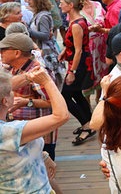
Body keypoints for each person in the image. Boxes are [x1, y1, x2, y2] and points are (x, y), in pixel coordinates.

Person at [0, 65, 69, 193]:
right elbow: (61, 116)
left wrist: (43, 156)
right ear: (5, 101)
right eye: (11, 91)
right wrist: (47, 81)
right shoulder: (8, 132)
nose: (13, 93)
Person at [57, 0, 95, 145]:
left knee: (66, 96)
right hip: (78, 61)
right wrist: (64, 51)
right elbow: (72, 45)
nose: (59, 5)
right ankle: (89, 122)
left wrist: (72, 71)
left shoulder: (77, 25)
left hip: (78, 64)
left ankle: (86, 125)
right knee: (77, 94)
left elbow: (78, 50)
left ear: (70, 5)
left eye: (62, 2)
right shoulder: (76, 20)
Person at [24, 0, 65, 89]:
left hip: (47, 52)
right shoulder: (39, 14)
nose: (28, 1)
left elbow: (45, 35)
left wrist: (28, 30)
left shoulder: (43, 16)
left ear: (37, 0)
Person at [75, 0, 107, 91]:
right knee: (88, 73)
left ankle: (99, 98)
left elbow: (105, 19)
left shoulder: (97, 4)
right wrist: (89, 29)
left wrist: (100, 26)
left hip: (101, 43)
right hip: (87, 44)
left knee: (102, 70)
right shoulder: (76, 10)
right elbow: (74, 29)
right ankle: (87, 103)